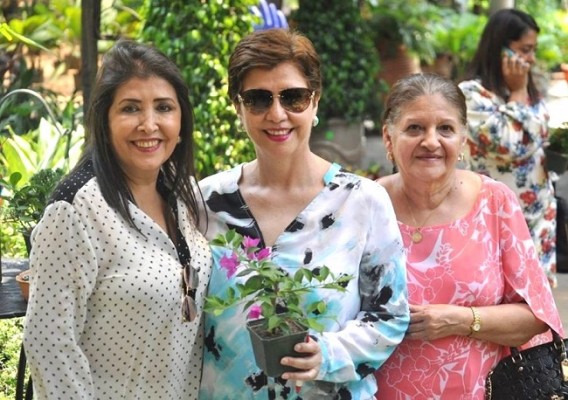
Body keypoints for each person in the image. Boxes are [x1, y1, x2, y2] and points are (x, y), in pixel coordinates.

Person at [197, 28, 409, 399]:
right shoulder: (206, 201)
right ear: (238, 106)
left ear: (315, 101)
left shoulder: (363, 201)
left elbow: (390, 316)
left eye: (293, 97)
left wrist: (325, 355)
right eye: (258, 99)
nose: (277, 114)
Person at [23, 40, 211, 399]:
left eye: (164, 107)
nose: (149, 124)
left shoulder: (180, 191)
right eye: (130, 108)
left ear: (182, 122)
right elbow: (50, 344)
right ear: (104, 122)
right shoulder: (75, 210)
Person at [374, 72, 564, 399]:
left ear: (463, 140)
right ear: (389, 139)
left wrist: (461, 320)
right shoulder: (365, 206)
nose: (431, 141)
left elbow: (536, 316)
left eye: (445, 128)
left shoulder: (494, 202)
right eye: (414, 128)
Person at [458, 9, 557, 288]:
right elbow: (508, 146)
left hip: (540, 216)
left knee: (539, 301)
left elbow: (542, 131)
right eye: (524, 50)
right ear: (499, 47)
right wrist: (517, 95)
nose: (531, 59)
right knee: (507, 297)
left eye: (533, 50)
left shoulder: (529, 89)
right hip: (498, 220)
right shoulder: (471, 95)